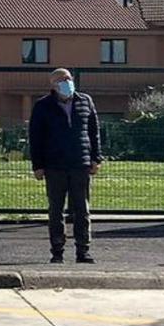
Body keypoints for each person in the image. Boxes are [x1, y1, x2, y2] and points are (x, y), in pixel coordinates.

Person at [29, 68, 103, 264]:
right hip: (55, 165)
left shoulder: (85, 101)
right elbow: (35, 137)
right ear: (52, 85)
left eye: (68, 78)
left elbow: (94, 132)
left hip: (80, 162)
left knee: (82, 209)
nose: (67, 82)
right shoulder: (43, 106)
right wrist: (38, 165)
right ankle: (57, 250)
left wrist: (96, 158)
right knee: (56, 209)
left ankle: (83, 250)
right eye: (61, 80)